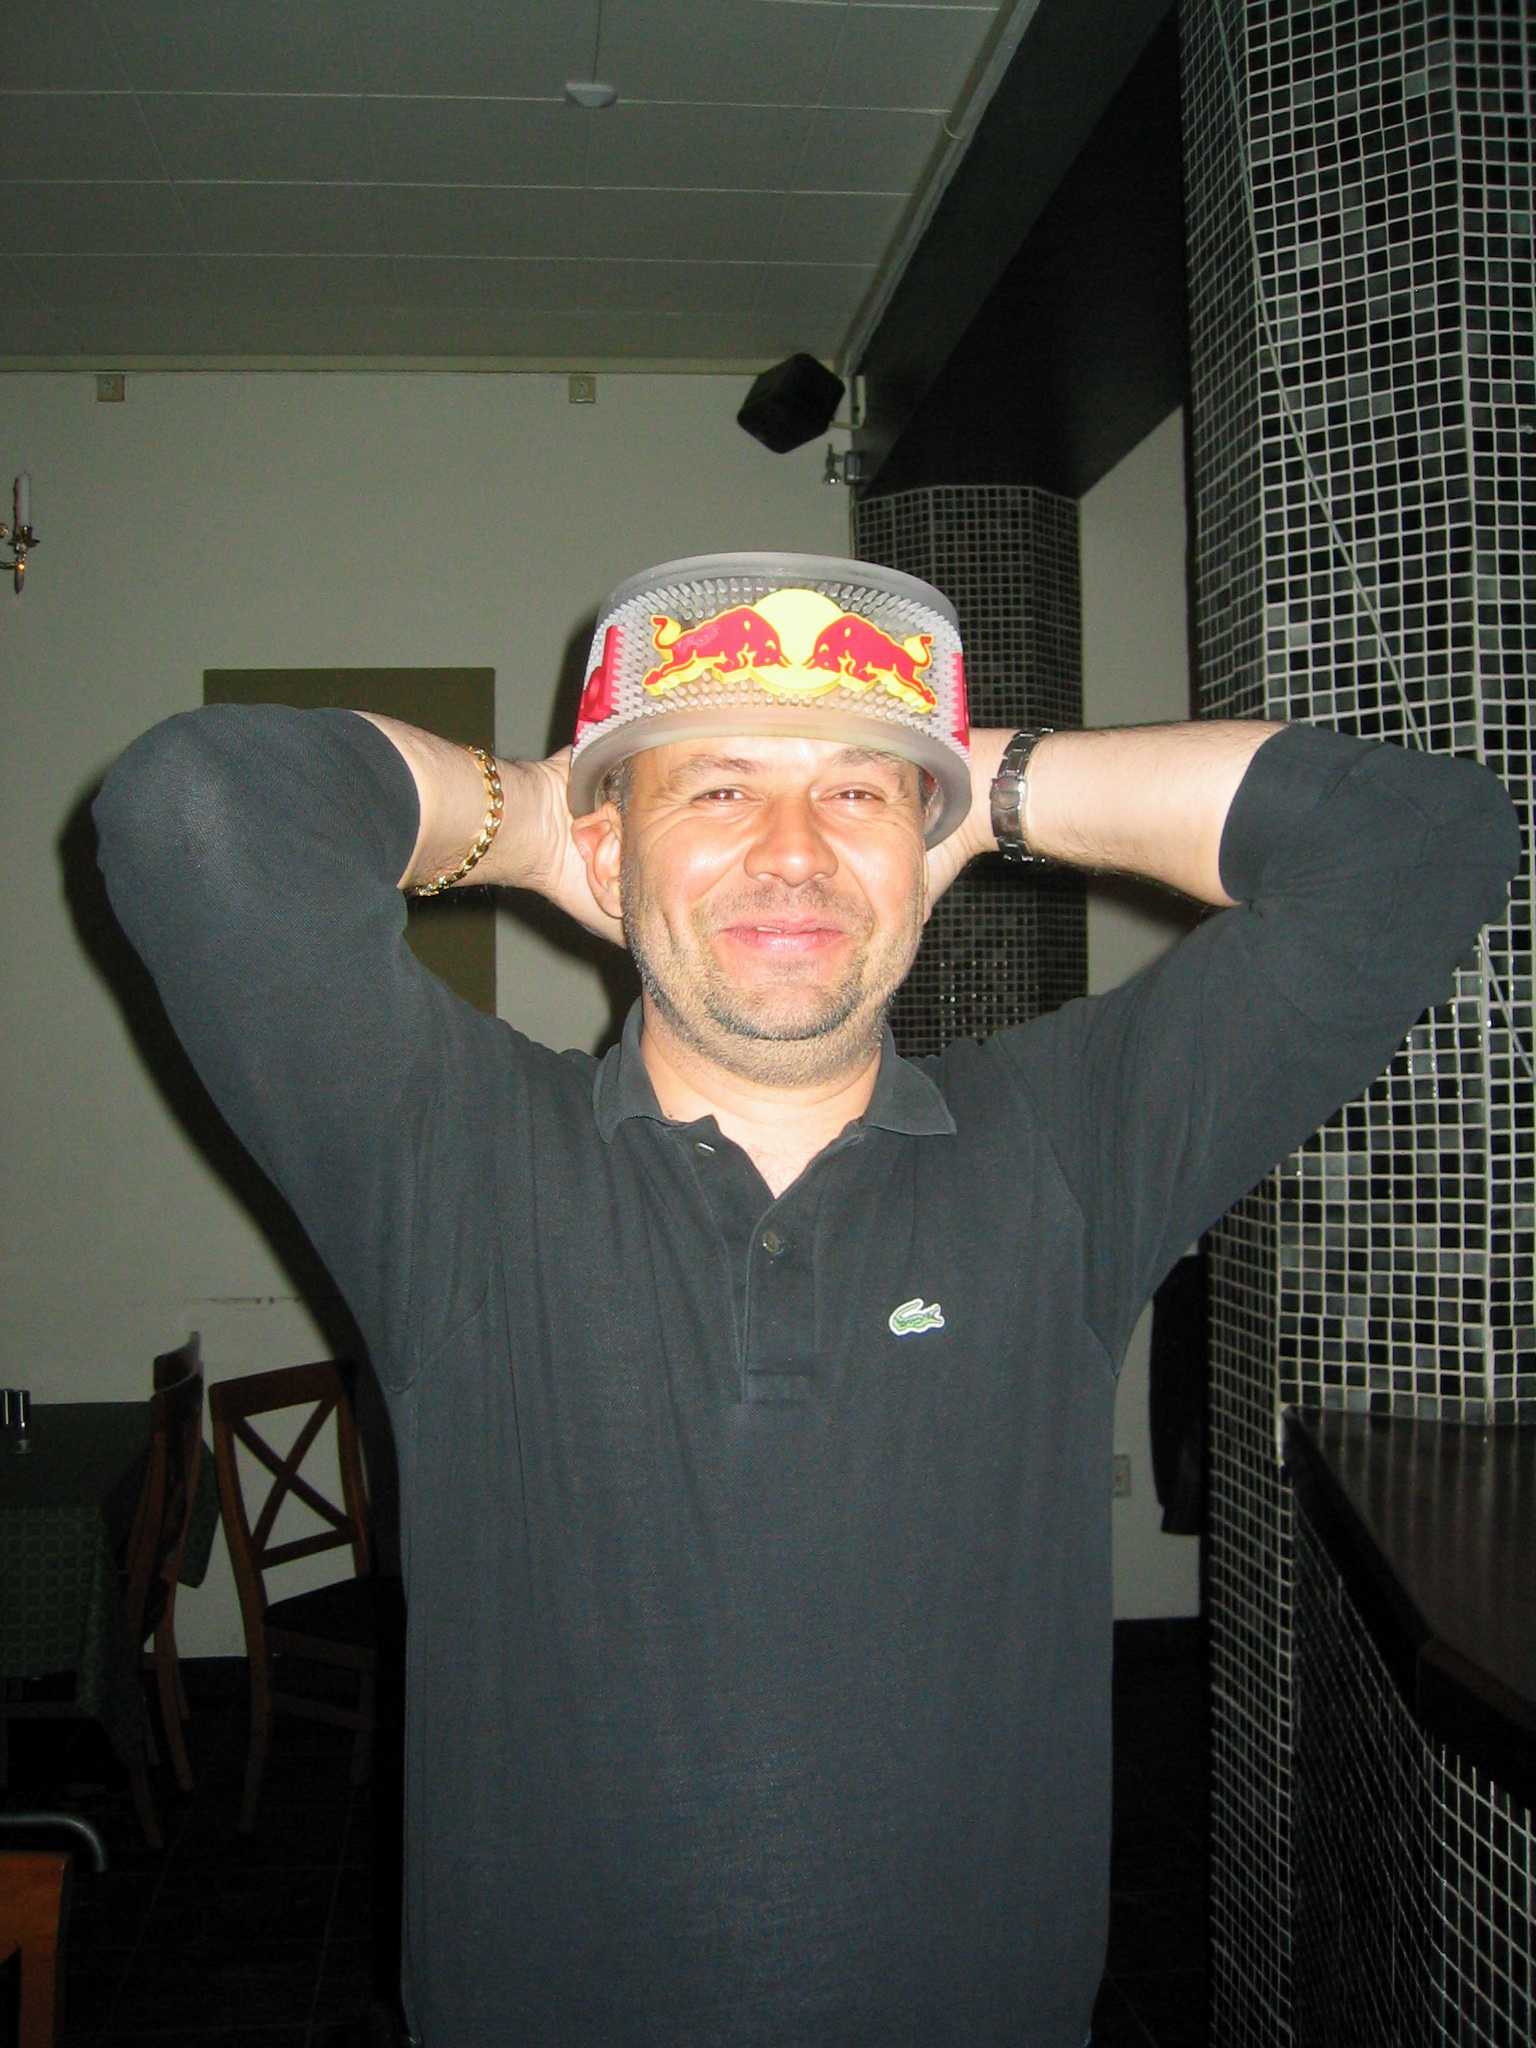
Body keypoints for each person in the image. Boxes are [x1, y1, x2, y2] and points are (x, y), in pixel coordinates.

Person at [94, 553, 1518, 2047]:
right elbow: (197, 810)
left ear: (927, 854)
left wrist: (980, 787)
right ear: (611, 852)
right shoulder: (456, 1163)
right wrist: (538, 819)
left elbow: (1422, 840)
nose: (792, 851)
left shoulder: (1067, 1151)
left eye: (854, 795)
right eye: (716, 790)